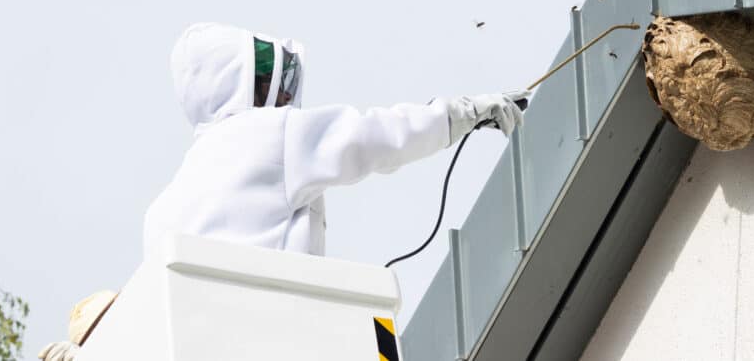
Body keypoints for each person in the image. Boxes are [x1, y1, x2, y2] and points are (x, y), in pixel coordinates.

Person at [37, 22, 528, 359]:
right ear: (246, 81)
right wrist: (467, 112)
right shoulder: (269, 136)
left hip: (223, 346)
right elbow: (373, 136)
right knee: (375, 330)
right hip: (284, 336)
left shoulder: (160, 211)